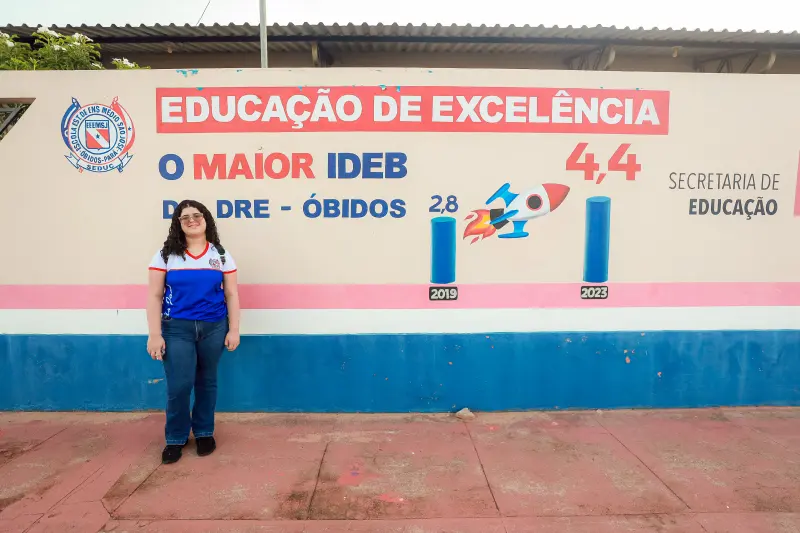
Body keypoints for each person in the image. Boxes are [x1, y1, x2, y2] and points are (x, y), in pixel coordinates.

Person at [146, 199, 241, 464]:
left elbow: (232, 294)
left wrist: (234, 329)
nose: (191, 219)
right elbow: (154, 296)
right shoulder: (165, 256)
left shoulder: (220, 254)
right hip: (176, 328)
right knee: (179, 384)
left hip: (214, 327)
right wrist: (155, 334)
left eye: (196, 215)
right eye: (184, 216)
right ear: (178, 224)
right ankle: (175, 437)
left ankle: (203, 433)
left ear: (206, 219)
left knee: (206, 381)